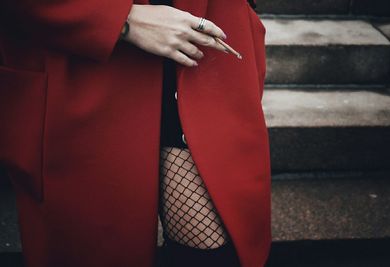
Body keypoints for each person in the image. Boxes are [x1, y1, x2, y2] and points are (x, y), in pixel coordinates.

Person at [0, 0, 271, 266]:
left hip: (203, 54)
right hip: (92, 67)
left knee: (217, 252)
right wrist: (121, 19)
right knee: (98, 246)